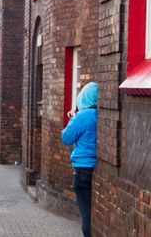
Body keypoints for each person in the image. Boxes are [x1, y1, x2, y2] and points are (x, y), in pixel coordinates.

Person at [61, 82, 98, 237]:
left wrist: (72, 119)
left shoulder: (82, 116)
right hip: (97, 168)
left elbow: (66, 138)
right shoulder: (101, 114)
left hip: (82, 169)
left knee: (86, 215)